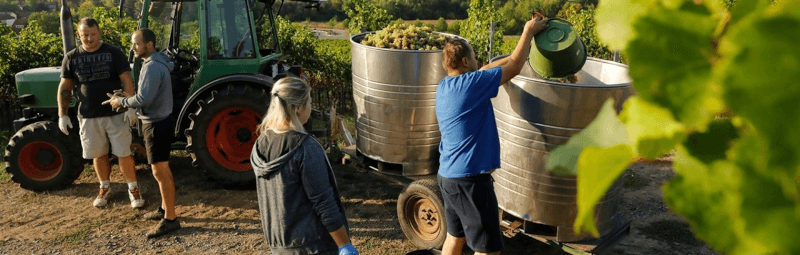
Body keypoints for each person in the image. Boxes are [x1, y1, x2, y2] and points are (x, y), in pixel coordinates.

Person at [435, 16, 549, 255]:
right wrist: (528, 32)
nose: (478, 61)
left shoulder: (445, 86)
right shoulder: (472, 85)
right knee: (487, 249)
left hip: (447, 177)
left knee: (455, 237)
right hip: (471, 181)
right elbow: (515, 68)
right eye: (475, 57)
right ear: (465, 61)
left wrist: (516, 53)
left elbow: (487, 69)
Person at [249, 77, 359, 255]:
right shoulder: (306, 148)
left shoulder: (261, 143)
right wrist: (344, 245)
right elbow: (324, 202)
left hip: (280, 245)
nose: (310, 107)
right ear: (298, 108)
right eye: (309, 102)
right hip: (314, 246)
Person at [58, 17, 143, 209]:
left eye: (92, 34)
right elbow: (65, 87)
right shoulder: (71, 57)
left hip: (116, 113)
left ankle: (133, 189)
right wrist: (62, 114)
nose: (88, 39)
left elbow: (127, 80)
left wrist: (130, 106)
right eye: (84, 35)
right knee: (98, 154)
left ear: (99, 33)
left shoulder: (113, 52)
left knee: (124, 153)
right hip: (88, 115)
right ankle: (105, 188)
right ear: (78, 34)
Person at [103, 28, 179, 238]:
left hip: (155, 124)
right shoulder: (157, 63)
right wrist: (126, 97)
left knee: (159, 172)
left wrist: (122, 101)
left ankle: (171, 220)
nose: (133, 48)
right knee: (162, 170)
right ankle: (165, 210)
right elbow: (147, 96)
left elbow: (144, 99)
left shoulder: (152, 66)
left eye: (136, 44)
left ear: (149, 44)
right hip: (158, 122)